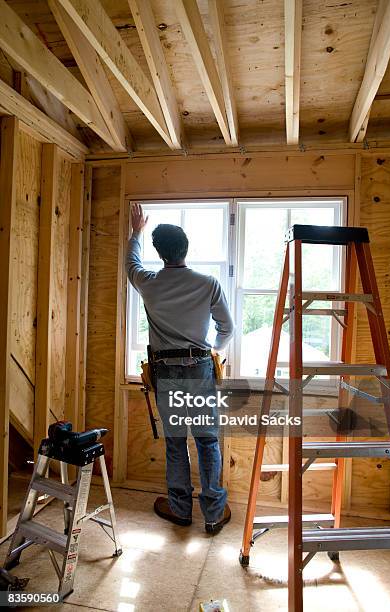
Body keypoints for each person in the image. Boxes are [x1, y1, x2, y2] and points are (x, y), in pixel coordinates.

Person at [126, 203, 235, 534]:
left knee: (176, 444)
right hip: (200, 369)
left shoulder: (149, 282)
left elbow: (131, 263)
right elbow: (226, 329)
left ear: (160, 253)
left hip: (167, 373)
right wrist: (211, 350)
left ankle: (180, 509)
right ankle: (213, 514)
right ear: (186, 249)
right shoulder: (208, 283)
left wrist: (137, 232)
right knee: (207, 442)